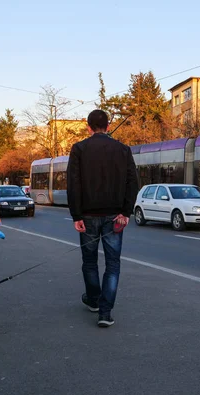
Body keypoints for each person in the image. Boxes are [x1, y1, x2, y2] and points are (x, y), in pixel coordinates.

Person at [67, 109, 138, 327]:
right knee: (113, 264)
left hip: (87, 215)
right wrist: (126, 212)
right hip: (114, 216)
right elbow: (133, 183)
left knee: (89, 262)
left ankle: (94, 299)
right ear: (108, 126)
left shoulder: (79, 149)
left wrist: (76, 215)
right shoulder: (123, 150)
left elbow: (73, 184)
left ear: (88, 127)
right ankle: (105, 313)